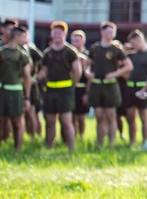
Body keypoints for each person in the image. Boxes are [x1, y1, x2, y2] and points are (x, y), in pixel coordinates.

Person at [87, 22, 132, 148]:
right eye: (108, 32)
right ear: (102, 32)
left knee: (111, 116)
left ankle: (111, 144)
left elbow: (128, 66)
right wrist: (87, 73)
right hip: (97, 85)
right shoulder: (95, 48)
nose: (111, 34)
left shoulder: (116, 49)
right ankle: (100, 145)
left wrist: (115, 73)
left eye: (113, 32)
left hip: (110, 86)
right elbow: (87, 64)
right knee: (99, 117)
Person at [39, 22, 82, 151]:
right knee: (50, 121)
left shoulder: (70, 52)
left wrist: (71, 85)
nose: (57, 35)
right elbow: (43, 71)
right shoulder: (47, 53)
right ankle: (49, 147)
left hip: (65, 91)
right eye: (55, 33)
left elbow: (77, 71)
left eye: (60, 33)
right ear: (51, 34)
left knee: (66, 121)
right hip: (51, 90)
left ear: (65, 34)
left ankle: (71, 148)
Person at [0, 25, 32, 152]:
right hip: (2, 91)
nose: (25, 39)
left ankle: (17, 150)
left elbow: (27, 77)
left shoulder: (23, 55)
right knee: (1, 121)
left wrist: (27, 97)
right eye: (23, 37)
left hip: (16, 92)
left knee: (17, 122)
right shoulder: (2, 52)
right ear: (16, 37)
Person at [123, 30, 147, 146]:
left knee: (144, 117)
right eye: (131, 43)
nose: (133, 45)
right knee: (130, 117)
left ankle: (145, 142)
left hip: (143, 88)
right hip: (130, 88)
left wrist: (145, 88)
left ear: (140, 40)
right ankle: (132, 142)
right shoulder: (130, 55)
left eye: (134, 43)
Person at [69, 29, 90, 137]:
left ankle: (81, 137)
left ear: (83, 42)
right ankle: (73, 136)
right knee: (72, 116)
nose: (75, 43)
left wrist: (87, 92)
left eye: (77, 40)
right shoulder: (68, 54)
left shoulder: (88, 55)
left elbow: (90, 75)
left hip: (82, 88)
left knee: (81, 116)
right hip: (71, 88)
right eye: (73, 41)